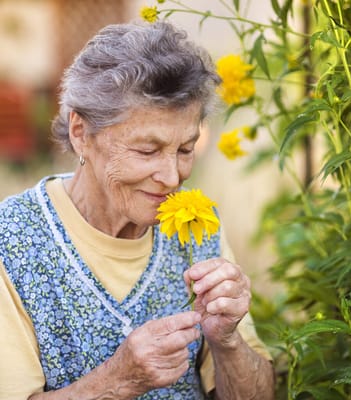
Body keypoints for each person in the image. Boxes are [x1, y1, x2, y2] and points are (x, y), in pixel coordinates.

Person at [0, 21, 275, 399]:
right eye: (147, 150)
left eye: (185, 149)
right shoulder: (13, 240)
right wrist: (117, 381)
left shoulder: (196, 227)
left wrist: (227, 342)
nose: (172, 176)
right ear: (81, 133)